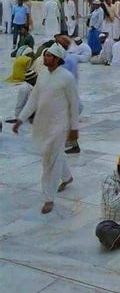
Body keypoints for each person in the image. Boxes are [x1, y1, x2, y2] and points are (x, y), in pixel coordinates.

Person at [12, 43, 79, 214]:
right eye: (46, 55)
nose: (46, 58)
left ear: (57, 59)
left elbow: (74, 104)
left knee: (49, 160)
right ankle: (67, 177)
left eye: (49, 56)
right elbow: (33, 100)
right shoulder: (42, 76)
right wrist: (21, 119)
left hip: (60, 125)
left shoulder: (67, 78)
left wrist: (74, 128)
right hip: (44, 123)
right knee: (55, 154)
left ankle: (49, 197)